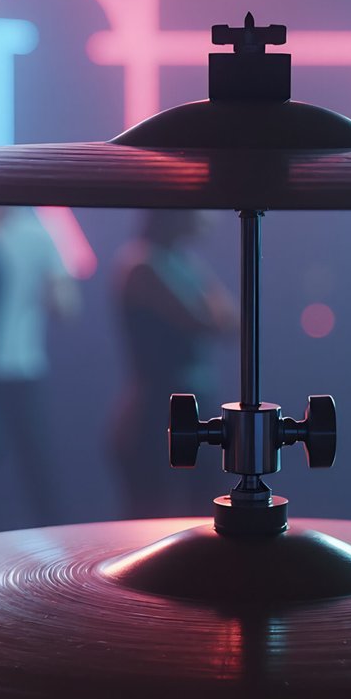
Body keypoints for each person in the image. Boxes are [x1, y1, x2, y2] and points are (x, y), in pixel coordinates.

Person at [109, 208, 235, 518]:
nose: (210, 217)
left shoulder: (184, 262)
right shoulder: (141, 264)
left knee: (204, 520)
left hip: (194, 409)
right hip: (155, 416)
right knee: (151, 525)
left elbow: (232, 324)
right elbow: (203, 321)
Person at [0, 203, 80, 527]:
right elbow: (67, 308)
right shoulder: (38, 233)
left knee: (23, 472)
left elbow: (66, 306)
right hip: (14, 371)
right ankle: (59, 551)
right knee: (37, 473)